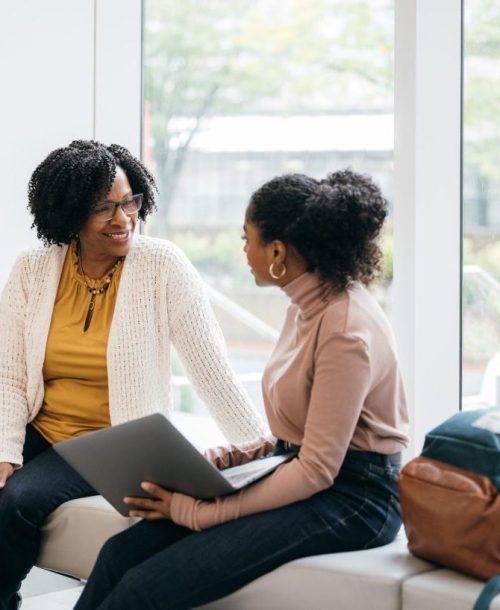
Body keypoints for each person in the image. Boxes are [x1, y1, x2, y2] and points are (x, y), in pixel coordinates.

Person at [74, 169, 410, 610]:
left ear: (277, 251)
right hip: (308, 467)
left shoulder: (346, 329)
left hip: (358, 497)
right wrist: (222, 462)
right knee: (120, 555)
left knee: (145, 590)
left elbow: (317, 470)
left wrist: (200, 512)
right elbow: (301, 435)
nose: (244, 251)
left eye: (246, 238)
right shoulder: (306, 304)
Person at [0, 140, 267, 610]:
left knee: (19, 499)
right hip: (39, 429)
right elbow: (8, 374)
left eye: (130, 202)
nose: (122, 219)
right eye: (103, 208)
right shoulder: (32, 271)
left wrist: (261, 453)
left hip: (110, 440)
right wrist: (5, 451)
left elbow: (210, 368)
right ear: (68, 214)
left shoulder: (161, 265)